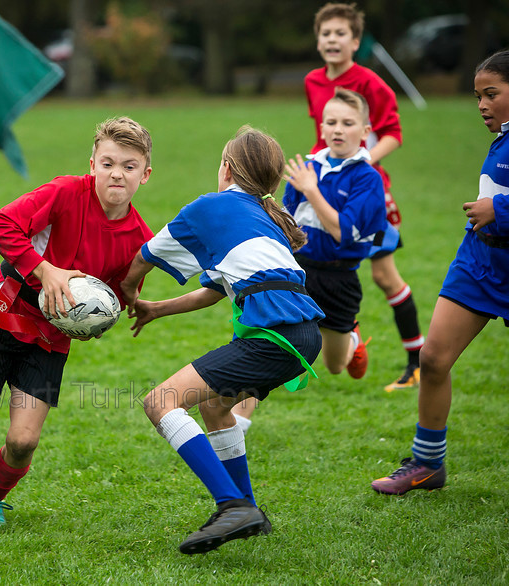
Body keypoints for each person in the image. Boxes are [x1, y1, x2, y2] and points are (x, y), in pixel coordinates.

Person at [0, 116, 154, 529]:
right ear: (92, 162)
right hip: (2, 316)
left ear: (145, 175)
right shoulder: (64, 192)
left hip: (51, 337)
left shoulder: (138, 238)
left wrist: (108, 314)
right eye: (108, 163)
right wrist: (46, 272)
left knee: (23, 440)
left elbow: (115, 291)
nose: (117, 173)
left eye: (129, 166)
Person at [119, 126, 324, 554]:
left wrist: (129, 290)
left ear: (226, 168)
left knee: (160, 402)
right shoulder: (262, 216)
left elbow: (144, 256)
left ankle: (232, 505)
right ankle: (247, 507)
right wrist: (157, 308)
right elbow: (213, 291)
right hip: (302, 333)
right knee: (215, 407)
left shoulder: (210, 208)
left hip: (274, 335)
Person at [231, 2, 423, 433]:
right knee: (276, 322)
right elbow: (322, 142)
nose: (332, 41)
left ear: (356, 41)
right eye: (326, 34)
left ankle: (411, 359)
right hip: (320, 194)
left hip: (356, 193)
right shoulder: (314, 81)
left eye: (341, 34)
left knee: (384, 277)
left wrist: (356, 166)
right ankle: (240, 415)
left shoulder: (370, 85)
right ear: (317, 40)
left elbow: (393, 132)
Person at [371, 50, 509, 495]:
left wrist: (499, 209)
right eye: (477, 96)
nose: (482, 105)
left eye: (492, 94)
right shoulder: (503, 138)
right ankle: (427, 464)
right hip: (479, 263)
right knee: (432, 360)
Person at [284, 88, 387, 381]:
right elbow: (287, 223)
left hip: (338, 280)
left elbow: (343, 232)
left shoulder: (367, 178)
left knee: (334, 366)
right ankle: (238, 419)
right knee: (275, 345)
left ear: (365, 130)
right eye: (330, 122)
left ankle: (352, 340)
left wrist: (312, 190)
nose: (337, 130)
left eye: (347, 123)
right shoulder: (307, 169)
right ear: (321, 127)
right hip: (299, 271)